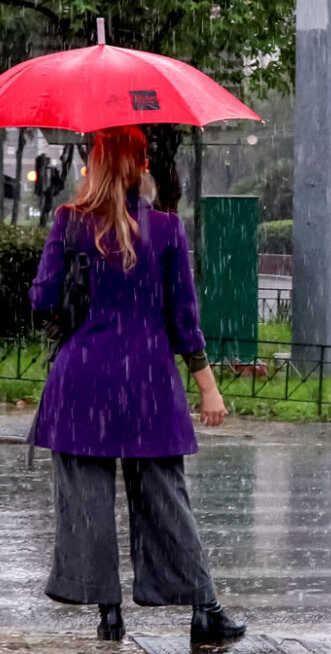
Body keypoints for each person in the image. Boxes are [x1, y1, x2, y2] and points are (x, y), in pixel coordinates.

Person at [28, 126, 246, 644]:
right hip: (147, 384)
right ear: (141, 166)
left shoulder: (69, 223)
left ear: (96, 164)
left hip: (81, 383)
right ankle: (204, 610)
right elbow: (184, 318)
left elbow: (41, 301)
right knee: (166, 499)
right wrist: (208, 388)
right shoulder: (167, 230)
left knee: (86, 501)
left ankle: (108, 612)